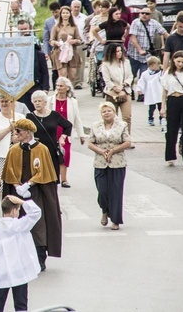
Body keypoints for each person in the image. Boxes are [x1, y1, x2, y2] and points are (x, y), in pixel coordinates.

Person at [1, 119, 62, 271]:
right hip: (18, 192)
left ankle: (40, 257)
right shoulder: (14, 150)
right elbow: (9, 171)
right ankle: (21, 257)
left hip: (37, 191)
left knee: (38, 224)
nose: (16, 134)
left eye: (19, 131)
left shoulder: (42, 149)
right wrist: (17, 186)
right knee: (19, 223)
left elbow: (45, 171)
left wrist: (29, 184)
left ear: (28, 132)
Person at [0, 196, 42, 312]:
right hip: (19, 270)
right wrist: (21, 201)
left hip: (3, 271)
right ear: (14, 210)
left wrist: (0, 260)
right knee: (21, 305)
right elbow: (36, 212)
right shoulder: (20, 225)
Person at [86, 102, 132, 230]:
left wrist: (113, 151)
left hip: (117, 162)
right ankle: (104, 211)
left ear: (114, 112)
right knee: (102, 191)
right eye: (104, 111)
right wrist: (101, 152)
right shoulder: (95, 126)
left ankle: (115, 220)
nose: (106, 113)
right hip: (100, 163)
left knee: (116, 192)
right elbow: (90, 143)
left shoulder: (122, 125)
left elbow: (127, 142)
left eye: (109, 111)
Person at [48, 77, 86, 187]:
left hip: (66, 132)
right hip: (53, 130)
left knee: (65, 155)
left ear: (67, 88)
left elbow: (76, 118)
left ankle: (64, 179)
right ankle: (53, 178)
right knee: (52, 155)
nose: (59, 88)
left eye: (61, 86)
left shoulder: (72, 102)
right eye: (57, 86)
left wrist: (81, 135)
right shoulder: (50, 100)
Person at [27, 91, 73, 179]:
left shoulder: (54, 115)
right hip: (36, 150)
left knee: (52, 177)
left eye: (39, 101)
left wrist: (62, 137)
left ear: (45, 102)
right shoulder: (29, 116)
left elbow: (68, 125)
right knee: (37, 176)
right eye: (35, 101)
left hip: (51, 150)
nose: (37, 103)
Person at [0, 94, 25, 185]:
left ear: (13, 103)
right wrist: (9, 128)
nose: (4, 104)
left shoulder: (21, 117)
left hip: (19, 155)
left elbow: (28, 135)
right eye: (2, 102)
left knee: (19, 182)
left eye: (7, 101)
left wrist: (19, 138)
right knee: (2, 184)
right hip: (1, 156)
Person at [128, 6, 168, 87]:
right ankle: (129, 91)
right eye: (142, 13)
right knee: (131, 76)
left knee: (144, 76)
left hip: (146, 56)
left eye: (147, 13)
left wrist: (170, 44)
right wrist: (139, 50)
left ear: (151, 15)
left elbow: (164, 33)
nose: (144, 15)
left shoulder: (154, 23)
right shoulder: (136, 22)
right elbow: (132, 36)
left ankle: (142, 94)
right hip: (134, 55)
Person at [101, 43, 133, 134]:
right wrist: (116, 89)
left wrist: (123, 86)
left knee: (127, 117)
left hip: (125, 91)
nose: (120, 53)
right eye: (117, 51)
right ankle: (113, 136)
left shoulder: (126, 62)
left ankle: (126, 138)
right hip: (112, 93)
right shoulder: (106, 64)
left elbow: (130, 76)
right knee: (112, 117)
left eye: (120, 51)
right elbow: (107, 80)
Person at [49, 6, 81, 84]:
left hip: (72, 52)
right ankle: (62, 93)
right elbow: (51, 40)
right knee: (62, 76)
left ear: (70, 14)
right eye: (63, 13)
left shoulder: (74, 27)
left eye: (67, 13)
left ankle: (70, 92)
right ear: (61, 14)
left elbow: (79, 40)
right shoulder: (56, 27)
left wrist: (73, 41)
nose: (65, 15)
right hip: (60, 53)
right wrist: (57, 43)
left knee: (72, 76)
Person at [136, 56, 164, 127]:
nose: (158, 66)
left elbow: (163, 81)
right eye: (157, 65)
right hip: (150, 94)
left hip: (159, 93)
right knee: (151, 108)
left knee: (160, 107)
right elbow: (141, 82)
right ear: (151, 65)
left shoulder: (160, 73)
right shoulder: (145, 74)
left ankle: (162, 118)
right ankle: (150, 118)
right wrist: (139, 89)